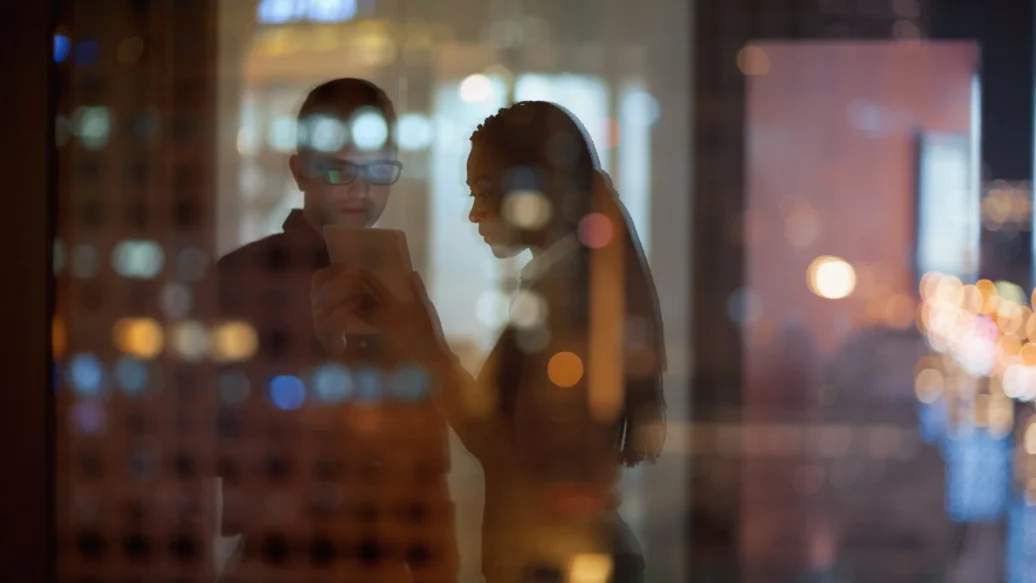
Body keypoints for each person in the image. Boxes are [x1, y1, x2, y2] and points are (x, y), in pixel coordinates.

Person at [322, 101, 667, 583]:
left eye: (485, 192)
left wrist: (423, 343)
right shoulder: (562, 288)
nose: (473, 213)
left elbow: (507, 451)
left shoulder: (570, 299)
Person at [213, 78, 458, 583]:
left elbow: (428, 446)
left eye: (377, 172)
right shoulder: (246, 277)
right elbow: (221, 438)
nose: (361, 189)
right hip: (285, 555)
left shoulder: (400, 284)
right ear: (300, 171)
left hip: (382, 553)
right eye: (337, 170)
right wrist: (319, 351)